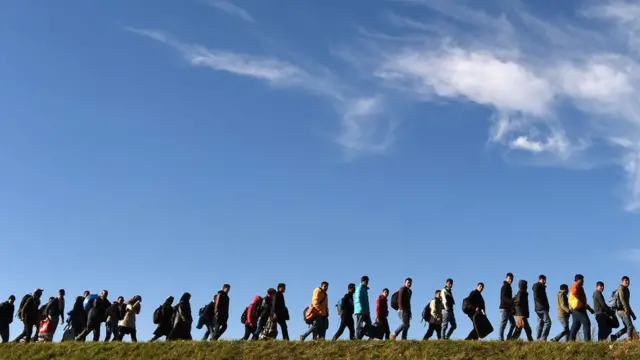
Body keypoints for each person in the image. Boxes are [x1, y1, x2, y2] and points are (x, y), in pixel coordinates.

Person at [569, 274, 594, 342]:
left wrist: (590, 309)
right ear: (578, 280)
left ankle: (571, 341)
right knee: (586, 322)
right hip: (578, 309)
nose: (583, 281)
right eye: (582, 280)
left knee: (576, 324)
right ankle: (587, 341)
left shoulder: (579, 287)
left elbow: (583, 301)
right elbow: (574, 292)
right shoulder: (576, 285)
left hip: (577, 308)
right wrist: (580, 300)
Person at [612, 276, 636, 341]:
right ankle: (629, 341)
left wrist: (632, 314)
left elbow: (627, 303)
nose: (627, 282)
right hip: (621, 310)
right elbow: (622, 300)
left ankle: (614, 336)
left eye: (628, 281)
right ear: (622, 281)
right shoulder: (621, 288)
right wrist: (626, 310)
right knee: (630, 326)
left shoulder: (627, 290)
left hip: (624, 310)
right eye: (626, 280)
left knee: (627, 327)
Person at [533, 275, 552, 341]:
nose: (545, 281)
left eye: (545, 280)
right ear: (540, 279)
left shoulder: (542, 287)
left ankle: (538, 339)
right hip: (541, 308)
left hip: (540, 307)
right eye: (544, 280)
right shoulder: (537, 285)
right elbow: (537, 296)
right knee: (548, 322)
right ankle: (543, 339)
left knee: (540, 323)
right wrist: (543, 305)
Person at [499, 273, 516, 341]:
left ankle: (508, 338)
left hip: (508, 309)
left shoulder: (509, 287)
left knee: (513, 324)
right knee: (503, 323)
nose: (510, 280)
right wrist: (512, 300)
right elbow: (503, 297)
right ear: (506, 278)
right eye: (509, 278)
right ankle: (501, 338)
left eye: (512, 279)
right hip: (504, 308)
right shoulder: (505, 286)